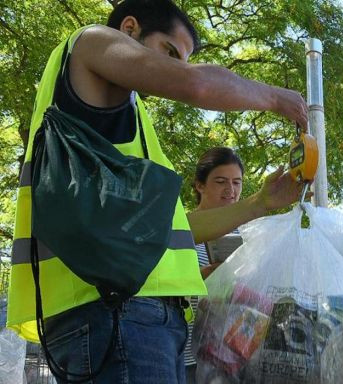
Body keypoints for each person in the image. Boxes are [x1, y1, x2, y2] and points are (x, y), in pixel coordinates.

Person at [7, 1, 306, 382]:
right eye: (170, 53)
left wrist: (261, 203)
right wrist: (276, 98)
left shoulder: (124, 125)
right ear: (129, 28)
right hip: (116, 313)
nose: (178, 67)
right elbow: (195, 83)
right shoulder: (92, 41)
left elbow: (179, 229)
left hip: (128, 318)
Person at [182, 147, 248, 383]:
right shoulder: (182, 229)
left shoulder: (249, 235)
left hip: (234, 357)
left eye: (237, 182)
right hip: (186, 357)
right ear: (200, 185)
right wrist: (200, 278)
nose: (230, 190)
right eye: (221, 182)